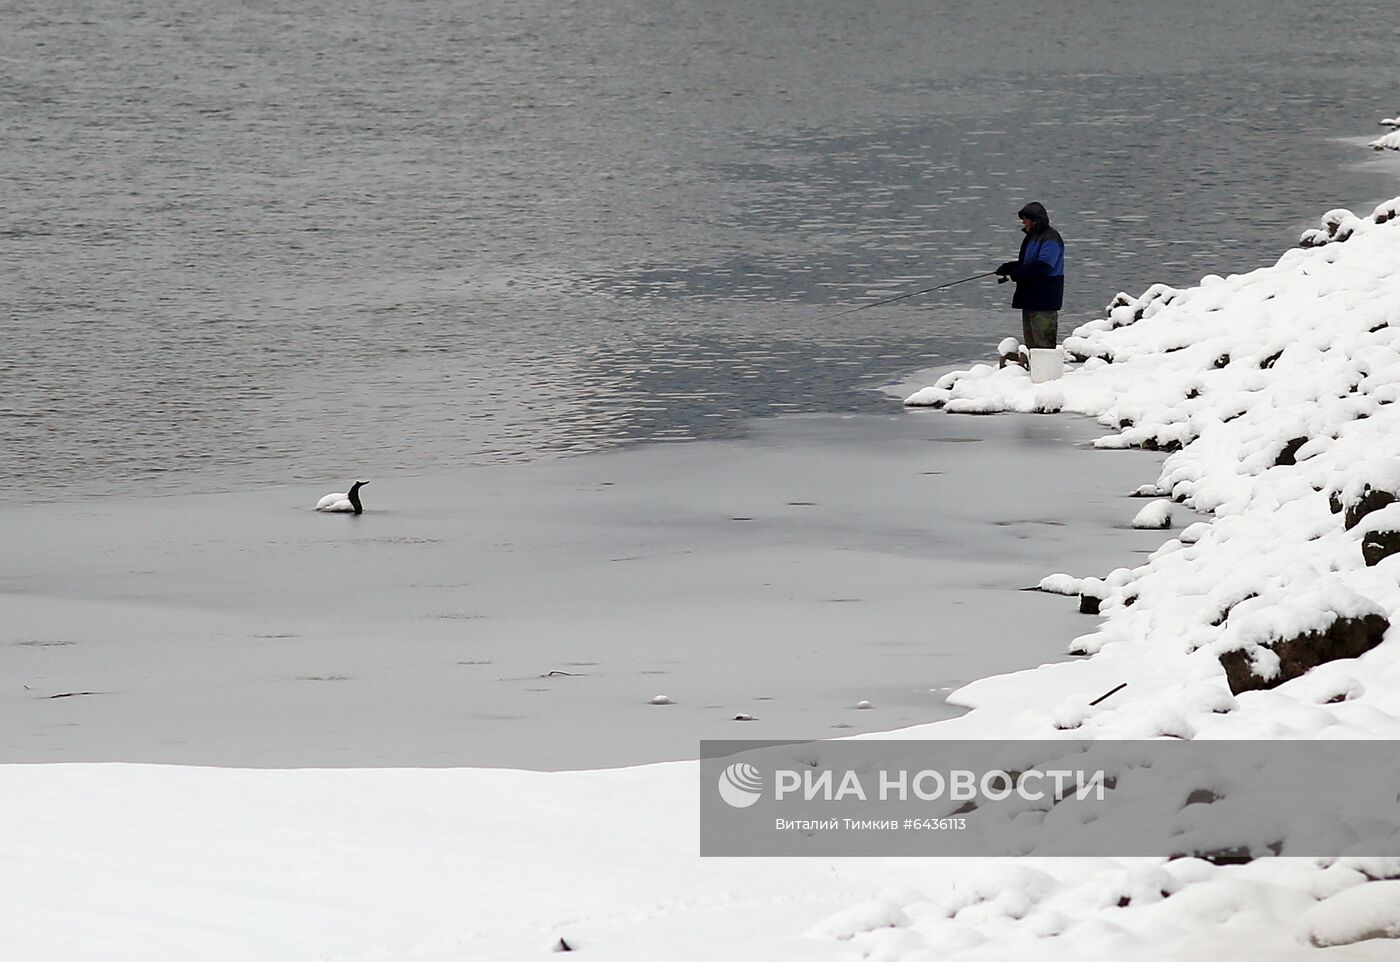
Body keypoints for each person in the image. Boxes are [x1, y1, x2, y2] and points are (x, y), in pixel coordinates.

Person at [995, 202, 1064, 350]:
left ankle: (1047, 372)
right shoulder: (1031, 238)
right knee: (1031, 345)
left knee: (1044, 346)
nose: (1023, 222)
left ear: (1035, 220)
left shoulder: (1051, 238)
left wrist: (1018, 273)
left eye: (1026, 218)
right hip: (1030, 299)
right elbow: (1026, 263)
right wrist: (1009, 267)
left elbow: (1044, 266)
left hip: (1045, 300)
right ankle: (1034, 371)